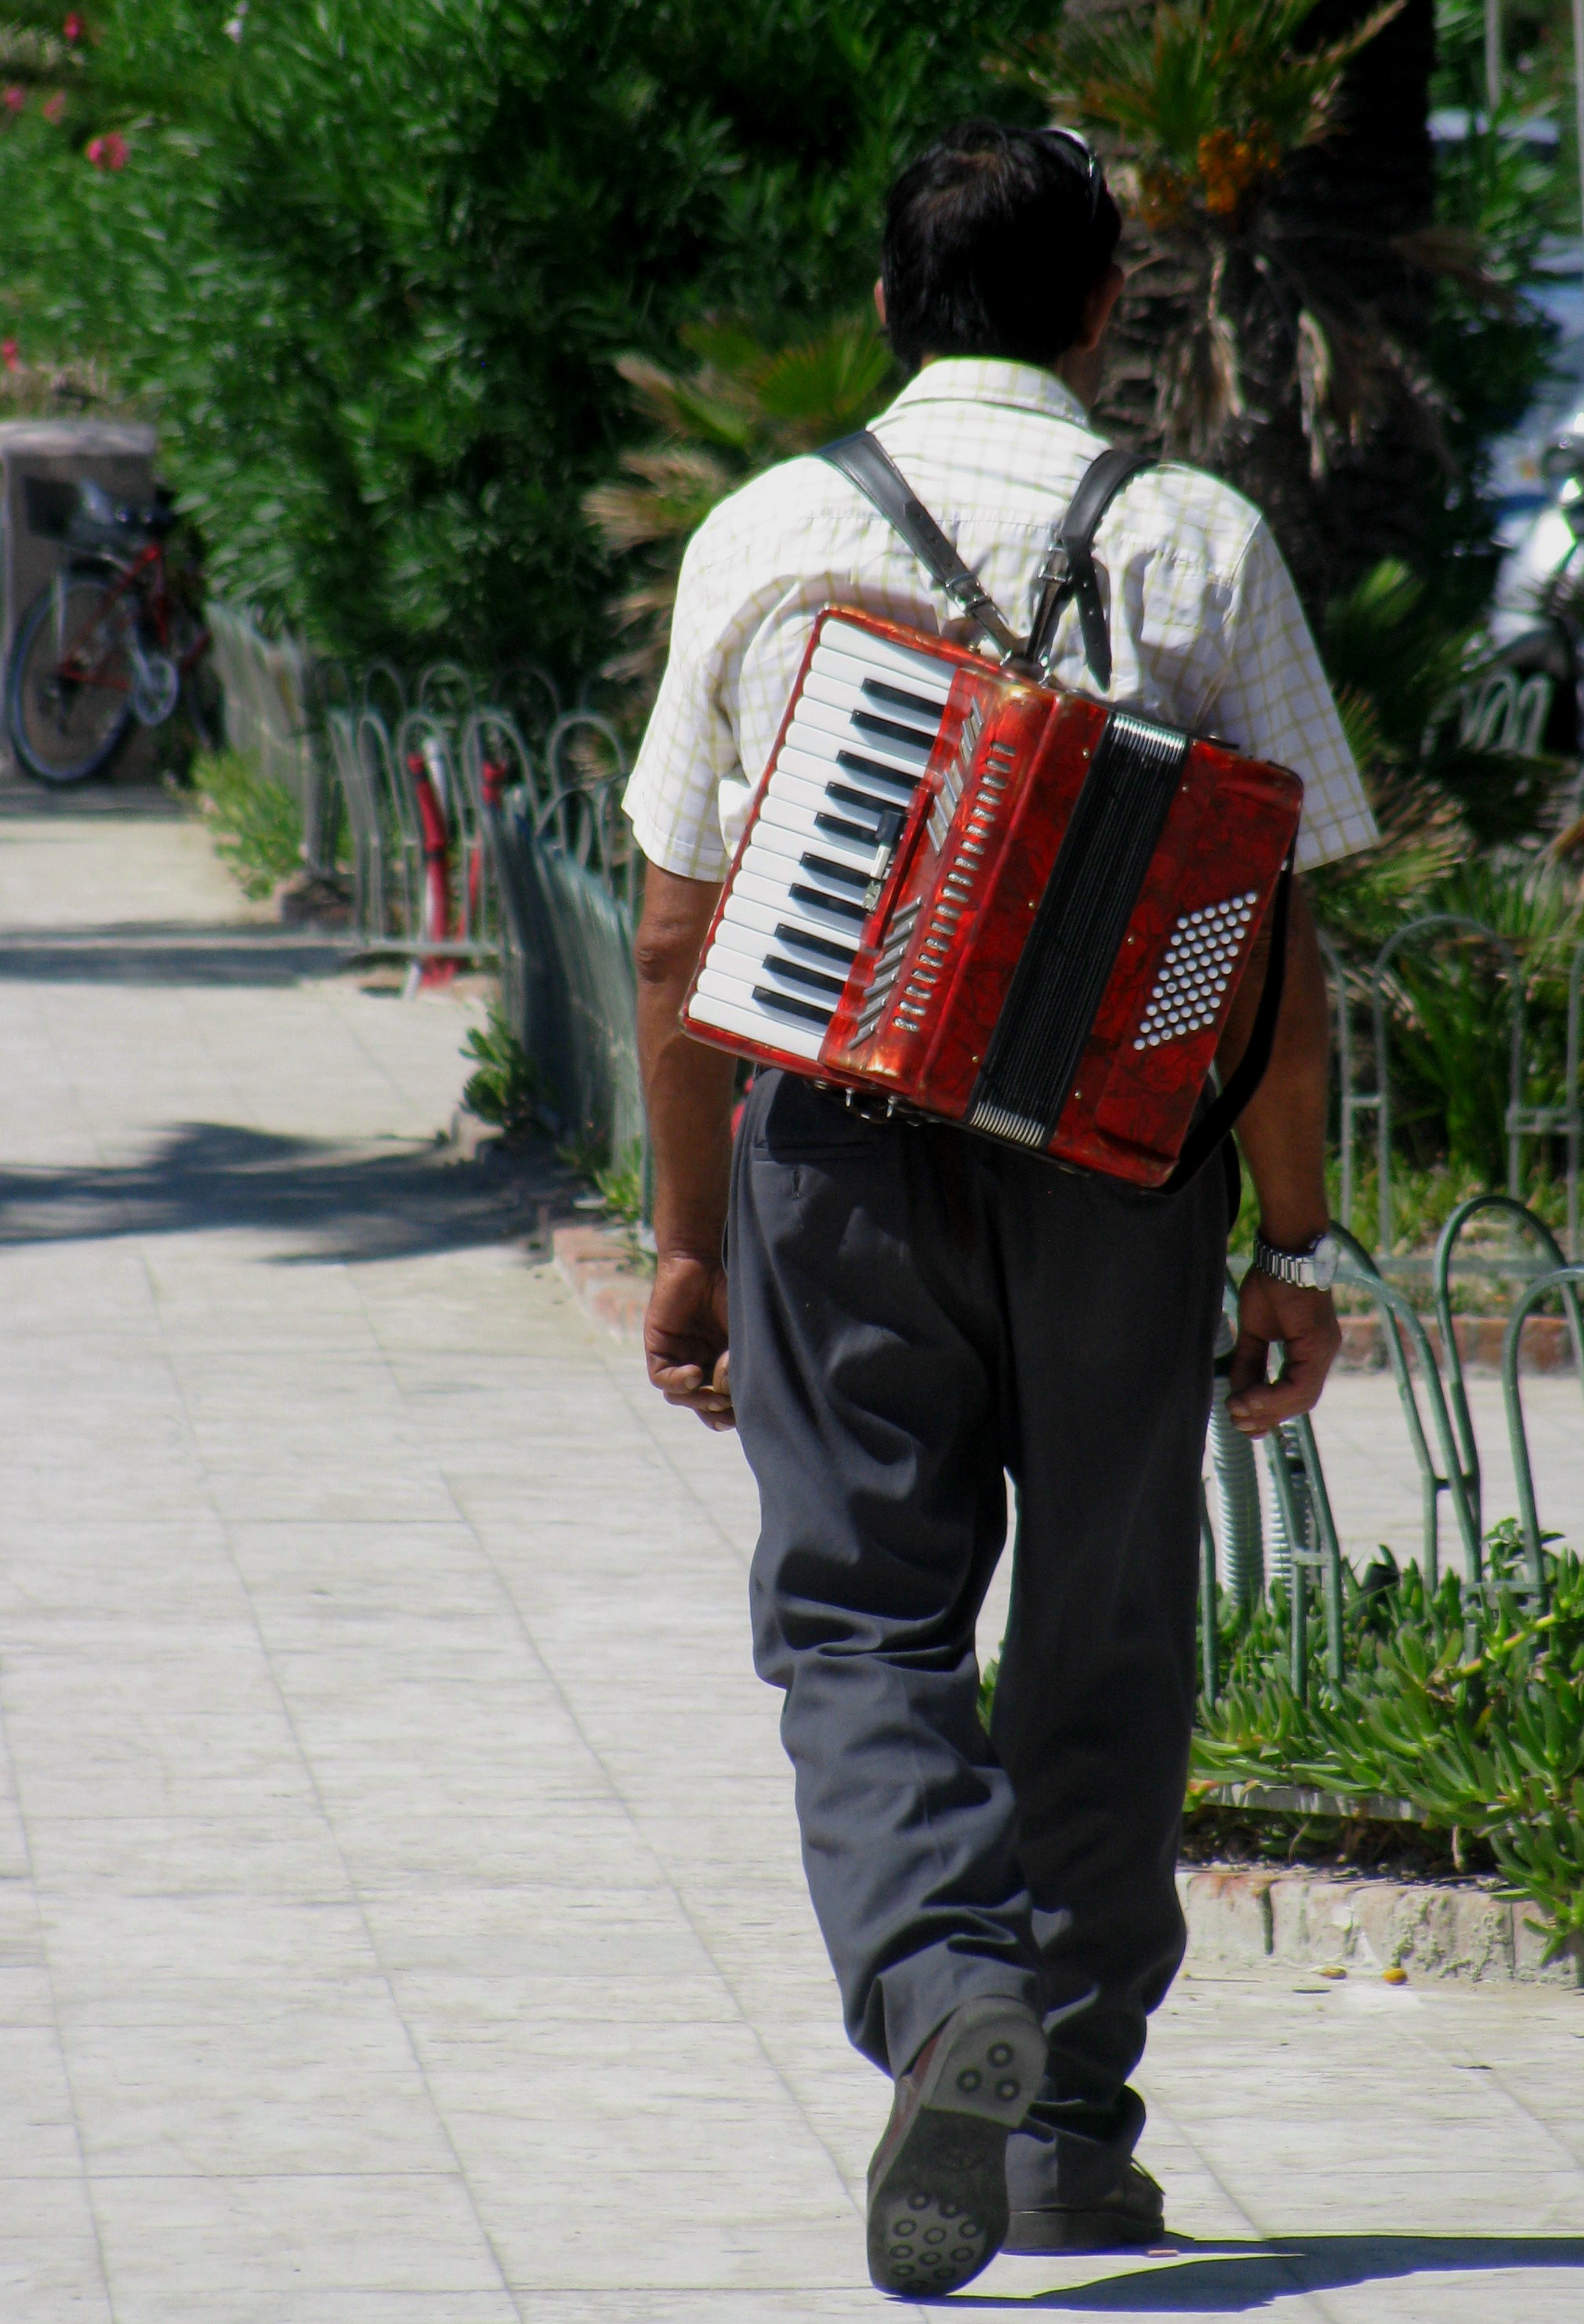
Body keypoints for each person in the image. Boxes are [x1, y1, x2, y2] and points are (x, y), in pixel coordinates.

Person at [623, 119, 1376, 2297]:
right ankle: (1064, 2121)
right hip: (1123, 1176)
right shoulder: (1203, 541)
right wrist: (1295, 1244)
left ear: (884, 310)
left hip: (838, 1155)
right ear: (1100, 314)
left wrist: (694, 1237)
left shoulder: (768, 534)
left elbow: (680, 941)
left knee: (857, 1612)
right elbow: (1278, 939)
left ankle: (940, 1984)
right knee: (1110, 1624)